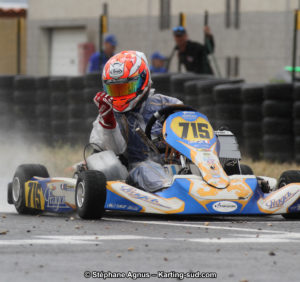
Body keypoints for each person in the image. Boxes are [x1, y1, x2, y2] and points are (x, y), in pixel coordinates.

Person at [89, 50, 183, 192]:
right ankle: (169, 192)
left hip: (177, 166)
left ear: (143, 80)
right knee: (146, 168)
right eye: (115, 90)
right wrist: (109, 123)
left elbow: (192, 126)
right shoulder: (109, 114)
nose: (120, 96)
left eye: (126, 88)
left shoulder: (167, 104)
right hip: (133, 173)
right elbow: (110, 151)